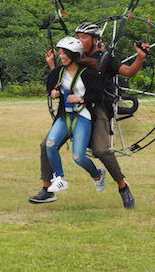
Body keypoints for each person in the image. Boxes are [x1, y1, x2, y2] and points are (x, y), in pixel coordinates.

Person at [29, 22, 150, 209]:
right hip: (69, 110)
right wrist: (53, 64)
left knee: (101, 150)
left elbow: (129, 72)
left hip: (97, 108)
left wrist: (140, 59)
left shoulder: (105, 58)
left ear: (95, 40)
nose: (80, 40)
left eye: (84, 37)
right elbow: (61, 79)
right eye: (78, 36)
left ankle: (123, 187)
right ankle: (47, 189)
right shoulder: (71, 54)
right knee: (46, 145)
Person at [39, 36, 105, 194]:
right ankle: (60, 179)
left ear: (75, 54)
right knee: (50, 145)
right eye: (60, 53)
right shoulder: (58, 72)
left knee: (78, 157)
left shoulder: (89, 73)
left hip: (82, 116)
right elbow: (51, 88)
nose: (61, 56)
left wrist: (81, 98)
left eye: (64, 53)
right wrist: (53, 93)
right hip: (65, 116)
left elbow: (98, 95)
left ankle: (97, 175)